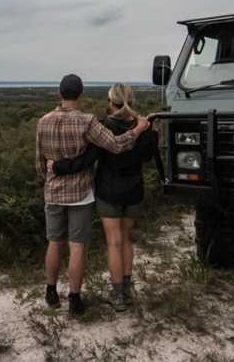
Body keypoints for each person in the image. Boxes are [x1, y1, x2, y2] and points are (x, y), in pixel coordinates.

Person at [35, 74, 150, 315]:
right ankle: (75, 299)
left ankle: (51, 292)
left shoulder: (42, 121)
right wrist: (139, 128)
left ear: (59, 93)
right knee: (78, 246)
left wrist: (52, 176)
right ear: (80, 95)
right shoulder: (87, 122)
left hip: (53, 193)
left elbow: (39, 163)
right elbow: (117, 145)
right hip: (81, 195)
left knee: (54, 242)